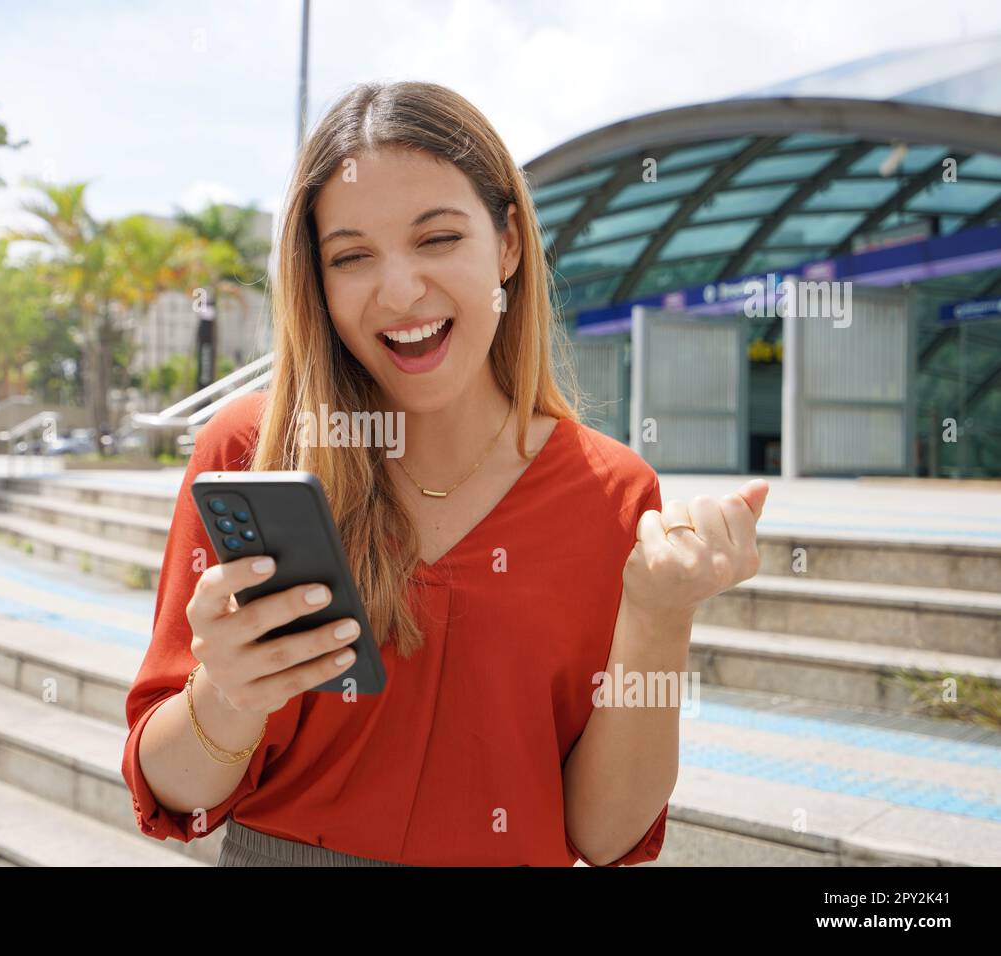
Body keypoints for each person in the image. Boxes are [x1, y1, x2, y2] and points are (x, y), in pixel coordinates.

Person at [121, 79, 769, 867]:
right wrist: (227, 695)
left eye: (437, 239)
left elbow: (606, 836)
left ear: (507, 245)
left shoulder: (614, 494)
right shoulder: (253, 450)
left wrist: (661, 617)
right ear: (317, 285)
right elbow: (175, 792)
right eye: (351, 256)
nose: (400, 291)